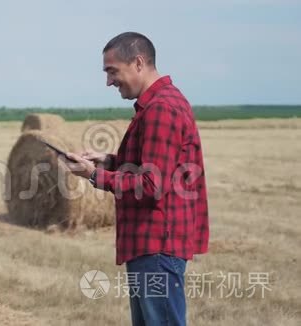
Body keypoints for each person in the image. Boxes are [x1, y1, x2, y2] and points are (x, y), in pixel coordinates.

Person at [64, 32, 209, 326]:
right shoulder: (159, 104)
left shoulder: (161, 109)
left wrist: (95, 176)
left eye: (112, 71)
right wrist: (108, 162)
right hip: (152, 244)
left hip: (157, 245)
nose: (108, 81)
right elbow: (156, 167)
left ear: (138, 62)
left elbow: (151, 185)